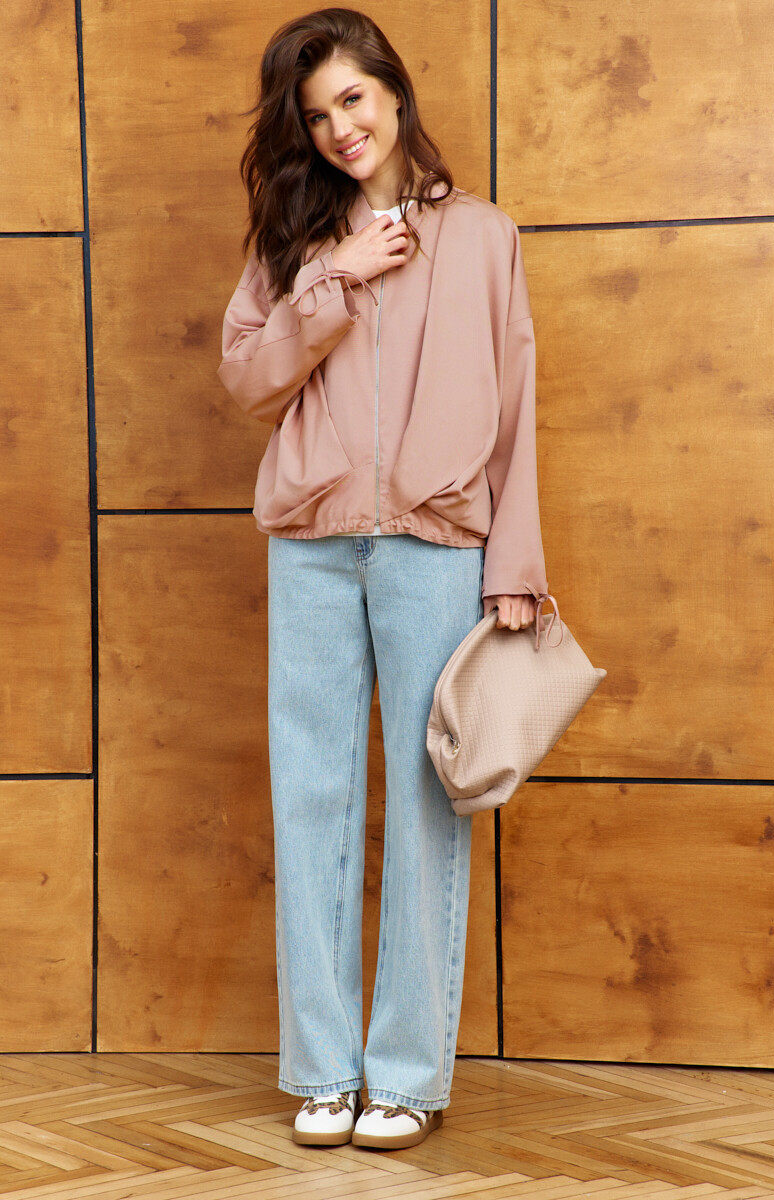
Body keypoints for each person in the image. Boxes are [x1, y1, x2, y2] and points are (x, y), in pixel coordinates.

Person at [215, 5, 553, 1152]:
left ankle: (405, 1076)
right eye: (315, 116)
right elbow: (249, 382)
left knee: (421, 805)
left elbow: (513, 412)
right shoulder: (292, 240)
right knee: (308, 796)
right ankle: (322, 1070)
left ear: (394, 94)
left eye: (351, 99)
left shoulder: (485, 237)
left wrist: (513, 566)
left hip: (434, 548)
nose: (338, 129)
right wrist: (333, 277)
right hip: (310, 544)